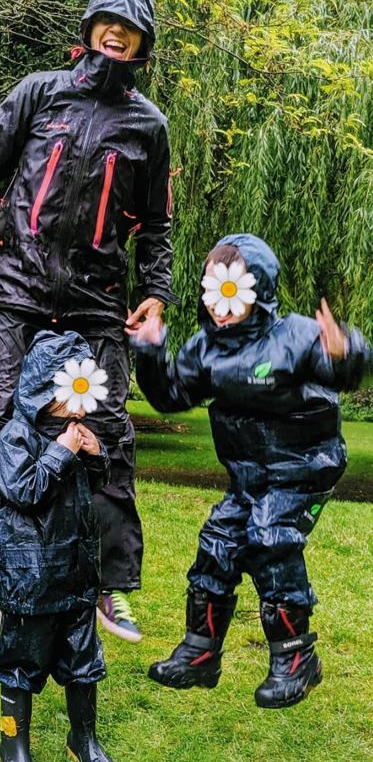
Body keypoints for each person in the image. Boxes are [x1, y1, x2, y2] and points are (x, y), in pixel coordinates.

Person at [0, 0, 177, 643]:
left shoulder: (149, 126)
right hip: (16, 293)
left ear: (141, 44)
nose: (116, 33)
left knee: (108, 436)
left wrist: (155, 293)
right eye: (108, 21)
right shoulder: (38, 93)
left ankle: (111, 585)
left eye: (129, 28)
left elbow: (156, 227)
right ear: (90, 27)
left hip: (96, 307)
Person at [128, 233, 370, 709]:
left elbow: (343, 372)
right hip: (250, 475)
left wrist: (347, 350)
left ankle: (296, 658)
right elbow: (171, 396)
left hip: (304, 467)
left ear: (257, 289)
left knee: (270, 537)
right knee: (218, 543)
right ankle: (200, 652)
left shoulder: (296, 336)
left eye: (233, 292)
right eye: (214, 292)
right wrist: (151, 351)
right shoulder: (205, 349)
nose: (221, 306)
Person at [0, 330, 114, 762]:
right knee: (20, 660)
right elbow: (24, 491)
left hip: (75, 577)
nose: (79, 404)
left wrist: (94, 455)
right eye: (70, 391)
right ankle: (13, 743)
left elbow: (95, 485)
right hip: (30, 581)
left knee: (82, 658)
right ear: (45, 389)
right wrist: (61, 452)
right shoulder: (14, 438)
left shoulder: (73, 434)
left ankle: (83, 738)